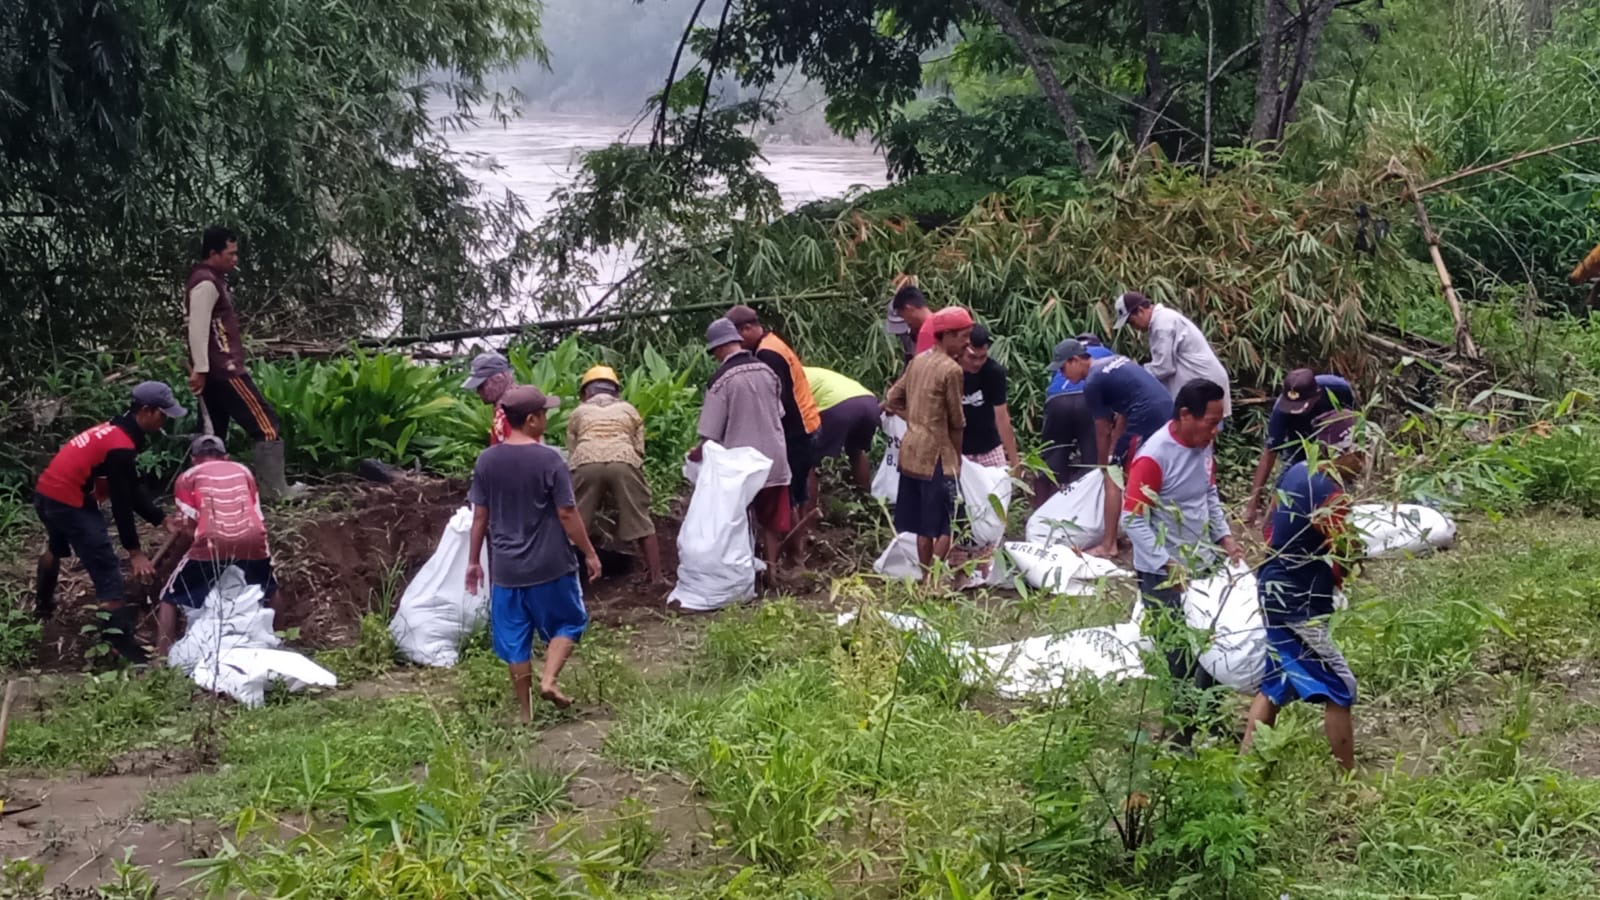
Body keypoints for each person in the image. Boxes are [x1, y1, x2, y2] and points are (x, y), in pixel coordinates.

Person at [465, 386, 601, 720]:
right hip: (551, 565)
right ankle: (550, 679)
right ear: (531, 419)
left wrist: (472, 562)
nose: (547, 418)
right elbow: (567, 514)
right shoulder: (550, 458)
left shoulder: (487, 460)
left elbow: (479, 516)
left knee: (515, 641)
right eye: (544, 413)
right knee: (569, 622)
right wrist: (589, 552)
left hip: (507, 570)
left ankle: (525, 714)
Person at [1121, 378, 1244, 744]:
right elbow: (1132, 518)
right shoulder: (1153, 457)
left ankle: (1206, 719)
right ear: (1186, 415)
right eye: (1211, 421)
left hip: (1203, 563)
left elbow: (1208, 494)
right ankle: (1179, 734)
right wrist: (1166, 562)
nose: (1216, 429)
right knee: (1179, 656)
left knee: (1215, 644)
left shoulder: (1204, 445)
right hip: (1163, 573)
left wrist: (1225, 537)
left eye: (1220, 421)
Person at [1242, 410, 1365, 770]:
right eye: (1359, 451)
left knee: (1276, 683)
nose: (1363, 461)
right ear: (1340, 451)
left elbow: (1269, 530)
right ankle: (1348, 781)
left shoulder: (1296, 471)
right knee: (1341, 686)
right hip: (1300, 603)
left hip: (1273, 588)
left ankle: (1245, 771)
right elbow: (1346, 550)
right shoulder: (1329, 490)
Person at [33, 382, 187, 663]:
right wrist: (135, 552)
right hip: (69, 502)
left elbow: (130, 488)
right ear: (146, 411)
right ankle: (120, 650)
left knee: (55, 547)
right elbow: (121, 502)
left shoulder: (114, 429)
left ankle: (42, 608)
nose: (165, 420)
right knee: (108, 571)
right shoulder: (120, 446)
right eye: (162, 414)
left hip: (46, 493)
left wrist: (161, 519)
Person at [183, 225, 305, 502]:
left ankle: (207, 494)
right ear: (213, 253)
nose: (235, 259)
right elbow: (198, 328)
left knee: (213, 432)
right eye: (231, 253)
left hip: (213, 369)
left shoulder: (207, 279)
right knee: (266, 425)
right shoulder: (205, 283)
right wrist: (201, 368)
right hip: (224, 369)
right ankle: (276, 492)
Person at [692, 318, 792, 588]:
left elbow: (710, 432)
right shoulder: (767, 371)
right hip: (775, 460)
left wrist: (697, 452)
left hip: (741, 466)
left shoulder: (720, 381)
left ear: (719, 348)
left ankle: (745, 577)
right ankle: (772, 572)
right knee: (771, 521)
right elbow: (778, 413)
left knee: (740, 519)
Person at [158, 435, 276, 658]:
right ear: (226, 457)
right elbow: (256, 513)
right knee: (271, 587)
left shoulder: (187, 477)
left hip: (212, 540)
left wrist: (172, 562)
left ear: (194, 459)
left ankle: (159, 658)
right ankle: (280, 641)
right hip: (253, 537)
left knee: (169, 597)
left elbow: (188, 529)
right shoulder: (243, 471)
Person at [884, 306, 972, 584]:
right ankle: (934, 582)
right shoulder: (952, 370)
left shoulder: (918, 361)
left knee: (924, 524)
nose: (967, 342)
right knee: (951, 521)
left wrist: (916, 420)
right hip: (937, 453)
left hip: (910, 452)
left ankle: (925, 580)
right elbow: (957, 421)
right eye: (963, 337)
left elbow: (892, 398)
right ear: (945, 336)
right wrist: (956, 460)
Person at [726, 304, 821, 562]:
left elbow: (777, 399)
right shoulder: (772, 344)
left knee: (788, 493)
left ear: (747, 329)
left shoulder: (768, 354)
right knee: (797, 492)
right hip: (806, 424)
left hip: (795, 429)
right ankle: (796, 549)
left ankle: (794, 555)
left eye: (736, 339)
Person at [566, 365, 664, 586]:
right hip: (623, 459)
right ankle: (656, 577)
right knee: (640, 519)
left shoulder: (578, 412)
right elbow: (639, 448)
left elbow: (572, 452)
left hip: (586, 460)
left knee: (576, 522)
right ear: (615, 391)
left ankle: (568, 580)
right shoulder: (629, 410)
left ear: (585, 393)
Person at [1079, 353, 1174, 558]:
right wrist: (1116, 447)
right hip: (1167, 409)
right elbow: (1124, 411)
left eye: (1062, 368)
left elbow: (1102, 429)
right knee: (1150, 472)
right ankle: (1153, 530)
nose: (1062, 374)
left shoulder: (1092, 383)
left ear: (1075, 361)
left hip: (1147, 416)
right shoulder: (1115, 361)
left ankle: (1108, 544)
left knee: (1113, 477)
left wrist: (1103, 464)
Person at [1242, 368, 1358, 528]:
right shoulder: (1280, 411)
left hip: (1333, 445)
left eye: (1301, 406)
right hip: (1299, 445)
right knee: (1285, 492)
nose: (1295, 411)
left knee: (1337, 493)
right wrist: (1252, 504)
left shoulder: (1338, 388)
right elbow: (1269, 454)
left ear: (1316, 395)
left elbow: (1353, 421)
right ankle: (1272, 531)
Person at [1113, 291, 1232, 419]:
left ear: (1140, 311)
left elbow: (1164, 368)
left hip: (1204, 385)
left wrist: (1136, 373)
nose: (1134, 327)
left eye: (1131, 322)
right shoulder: (1163, 319)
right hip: (1200, 384)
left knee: (1199, 434)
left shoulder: (1162, 325)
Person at [1039, 339, 1102, 502]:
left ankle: (1048, 503)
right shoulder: (1105, 354)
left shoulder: (1068, 357)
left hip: (1057, 400)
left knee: (1056, 449)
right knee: (1091, 453)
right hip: (1086, 398)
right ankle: (1091, 500)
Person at [805, 366, 878, 491]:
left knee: (806, 460)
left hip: (838, 405)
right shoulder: (809, 371)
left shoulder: (788, 374)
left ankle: (809, 510)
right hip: (869, 401)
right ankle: (867, 500)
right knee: (856, 451)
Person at [959, 325, 1021, 472]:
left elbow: (1002, 417)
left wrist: (1014, 460)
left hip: (989, 446)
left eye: (982, 357)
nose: (977, 363)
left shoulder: (994, 372)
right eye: (972, 357)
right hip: (958, 450)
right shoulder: (949, 371)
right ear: (961, 351)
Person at [462, 351, 518, 446]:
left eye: (481, 385)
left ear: (498, 378)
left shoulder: (513, 410)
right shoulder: (503, 407)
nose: (478, 391)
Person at [1046, 333, 1115, 398]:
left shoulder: (1066, 354)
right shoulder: (1105, 351)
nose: (1063, 374)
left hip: (1054, 398)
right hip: (1088, 395)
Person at [886, 279, 933, 369]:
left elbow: (923, 370)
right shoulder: (940, 323)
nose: (907, 323)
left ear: (908, 309)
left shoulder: (927, 331)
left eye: (902, 316)